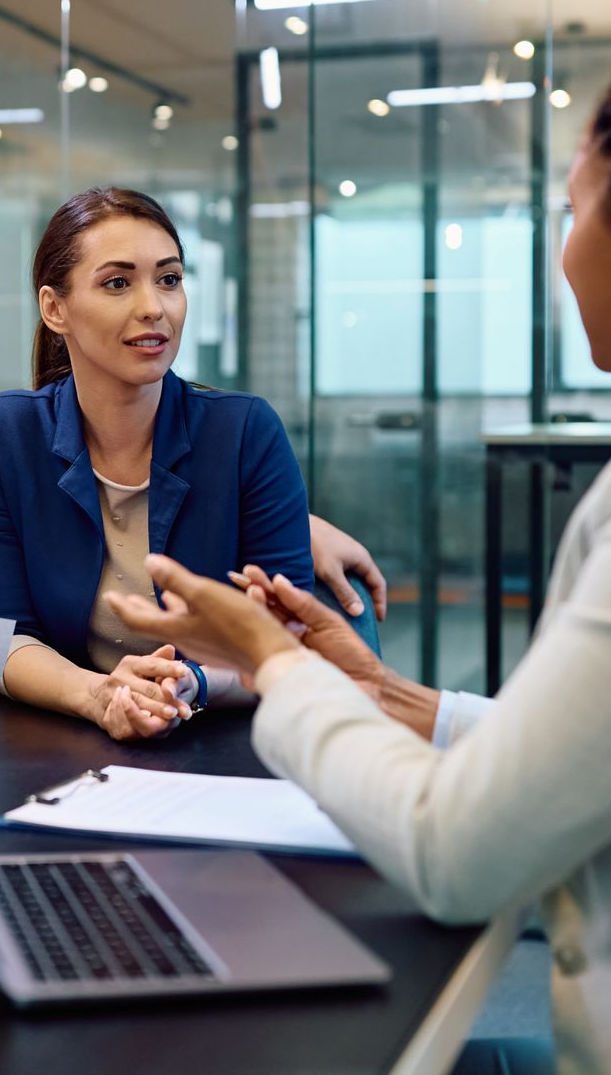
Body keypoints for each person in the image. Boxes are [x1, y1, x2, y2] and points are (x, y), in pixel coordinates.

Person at [108, 31, 611, 1074]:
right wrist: (393, 694)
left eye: (572, 211)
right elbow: (608, 733)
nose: (564, 250)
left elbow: (456, 853)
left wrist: (277, 660)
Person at [0, 186, 385, 742]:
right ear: (55, 308)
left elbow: (289, 638)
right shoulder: (12, 434)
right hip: (67, 744)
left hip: (227, 743)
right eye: (117, 283)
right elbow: (7, 636)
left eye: (169, 279)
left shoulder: (244, 431)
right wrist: (99, 696)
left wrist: (191, 683)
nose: (154, 307)